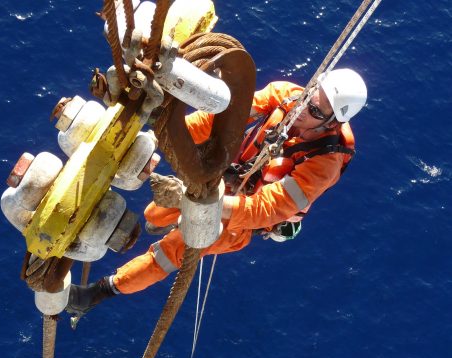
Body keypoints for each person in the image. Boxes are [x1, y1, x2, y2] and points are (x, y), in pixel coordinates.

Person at [66, 68, 368, 315]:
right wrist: (160, 137)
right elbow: (216, 123)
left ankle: (98, 293)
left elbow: (265, 210)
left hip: (241, 215)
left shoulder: (324, 162)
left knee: (174, 250)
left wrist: (205, 203)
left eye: (314, 109)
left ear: (332, 122)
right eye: (308, 94)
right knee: (155, 214)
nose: (302, 107)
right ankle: (157, 222)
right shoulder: (284, 95)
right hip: (223, 179)